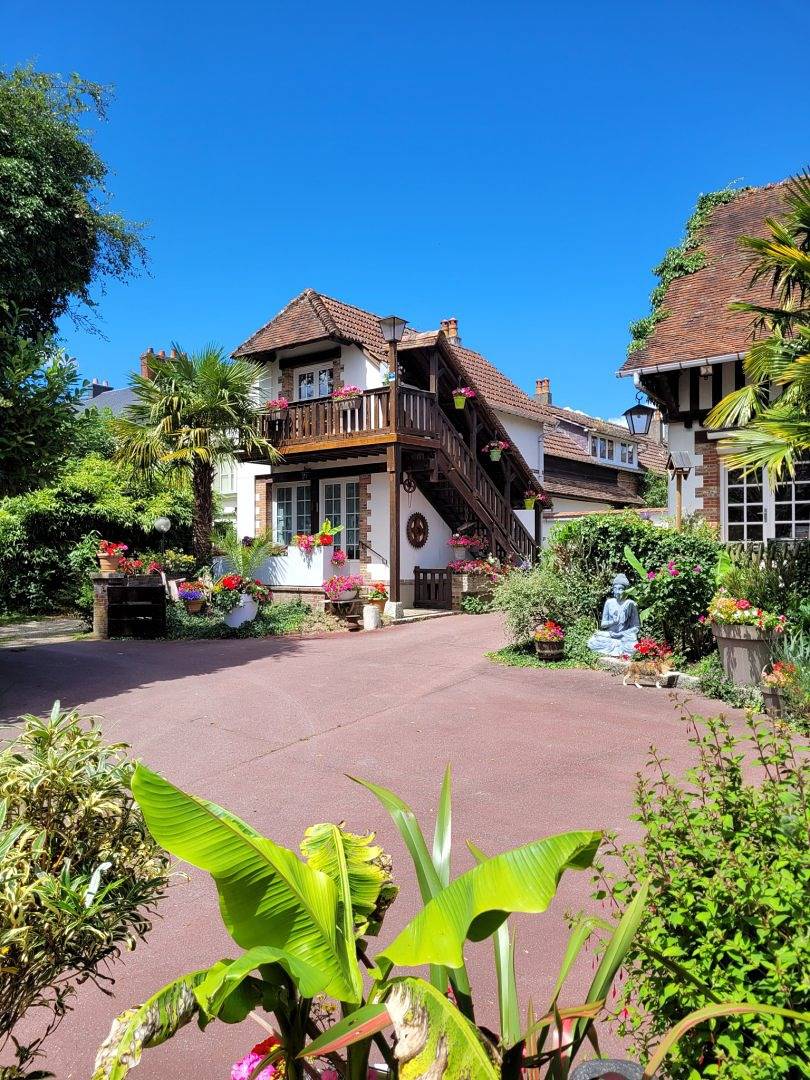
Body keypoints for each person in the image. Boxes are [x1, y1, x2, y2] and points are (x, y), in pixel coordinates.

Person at [587, 573, 641, 657]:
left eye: (620, 589)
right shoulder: (609, 602)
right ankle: (617, 647)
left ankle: (617, 647)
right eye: (615, 589)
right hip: (610, 635)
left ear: (626, 590)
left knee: (633, 646)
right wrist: (613, 622)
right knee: (592, 641)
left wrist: (622, 633)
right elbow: (603, 624)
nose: (617, 592)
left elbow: (636, 627)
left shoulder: (630, 604)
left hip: (624, 636)